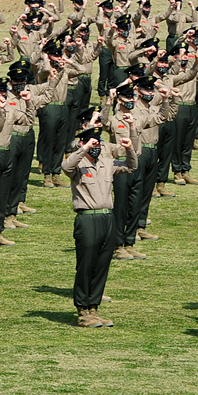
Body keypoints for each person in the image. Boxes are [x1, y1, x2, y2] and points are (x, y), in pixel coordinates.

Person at [63, 127, 135, 328]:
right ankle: (82, 310)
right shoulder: (77, 165)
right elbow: (66, 166)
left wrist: (129, 149)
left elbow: (131, 166)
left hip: (107, 219)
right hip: (87, 219)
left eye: (98, 143)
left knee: (102, 265)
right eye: (92, 143)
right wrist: (83, 148)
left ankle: (94, 308)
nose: (96, 147)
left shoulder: (106, 163)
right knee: (85, 266)